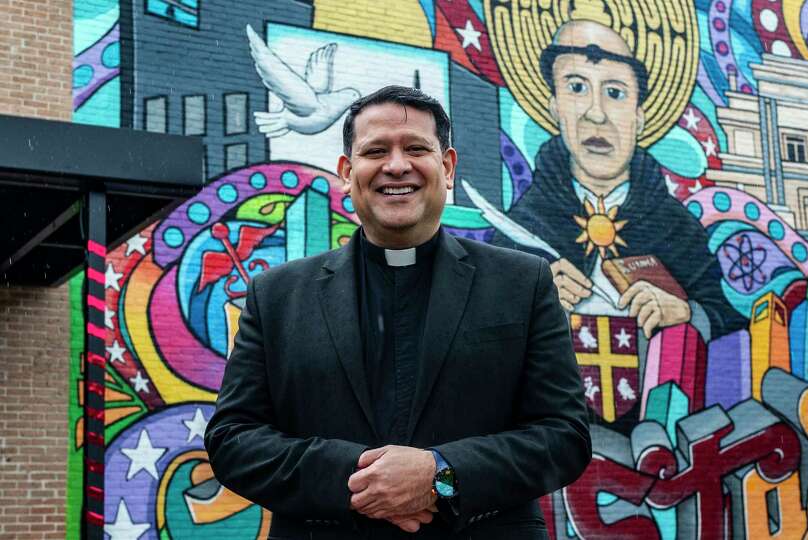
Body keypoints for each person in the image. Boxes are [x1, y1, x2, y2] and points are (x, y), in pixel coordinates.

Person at [205, 85, 591, 539]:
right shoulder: (277, 296)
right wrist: (357, 479)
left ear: (446, 168)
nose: (396, 165)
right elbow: (233, 439)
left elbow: (563, 436)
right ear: (347, 173)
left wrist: (439, 477)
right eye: (375, 151)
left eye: (415, 148)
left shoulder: (522, 284)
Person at [493, 20, 747, 341]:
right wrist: (527, 309)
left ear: (639, 117)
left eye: (615, 92)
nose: (595, 114)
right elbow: (476, 330)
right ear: (554, 106)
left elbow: (732, 325)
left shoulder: (677, 229)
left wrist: (688, 314)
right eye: (576, 87)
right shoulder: (523, 227)